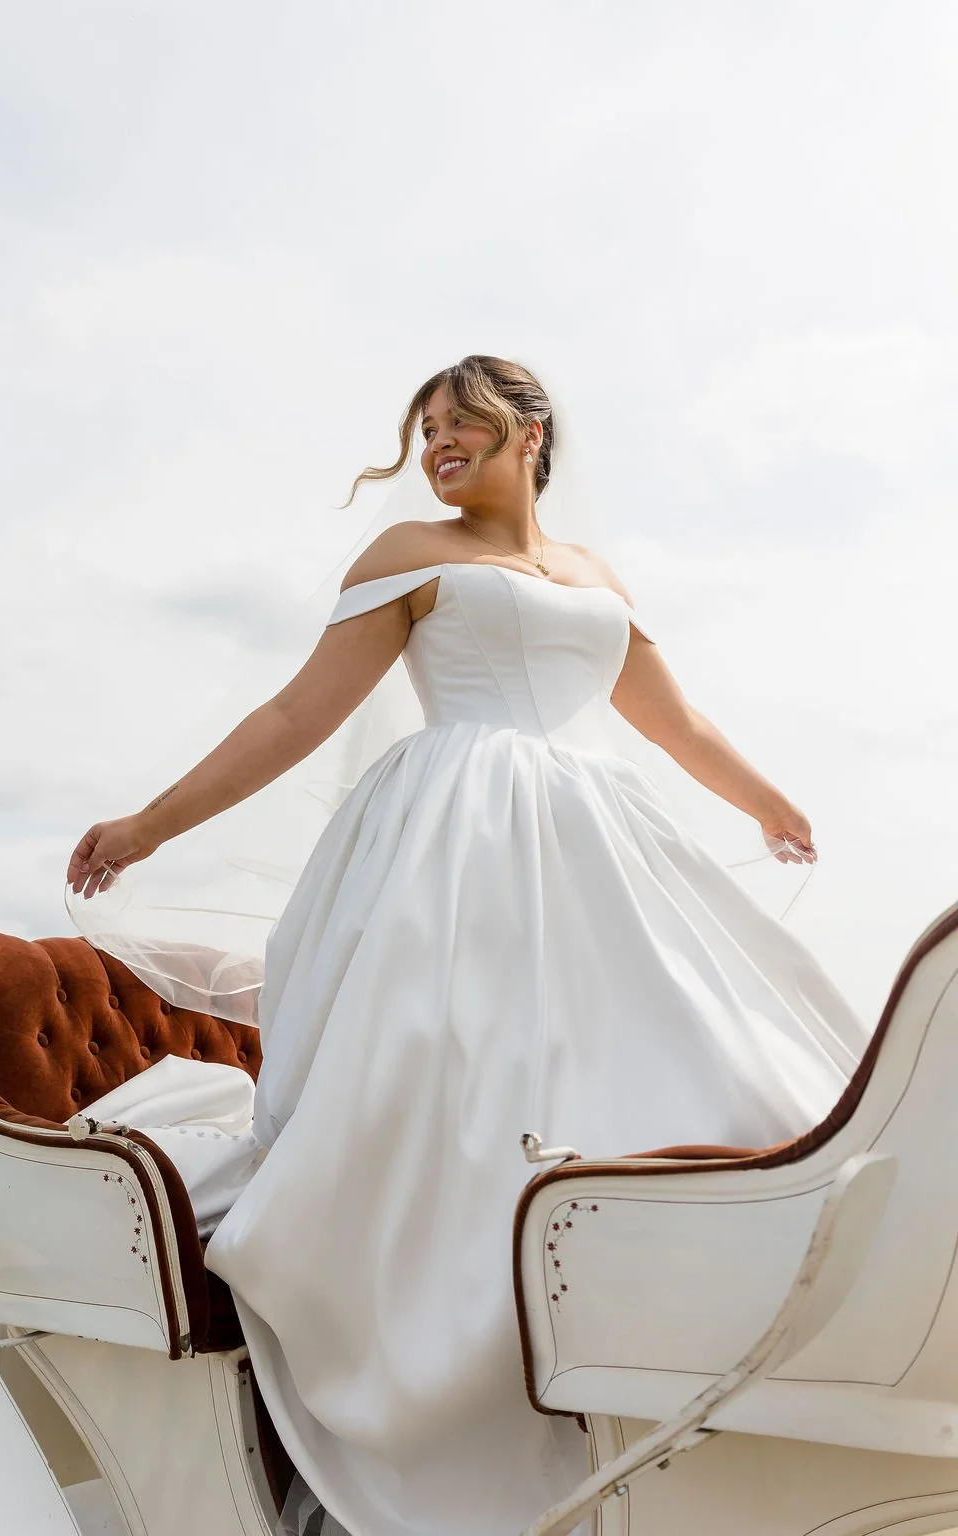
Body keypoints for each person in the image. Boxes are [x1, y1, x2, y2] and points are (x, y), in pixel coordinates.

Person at [66, 355, 868, 1536]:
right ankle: (462, 1367)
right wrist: (146, 825)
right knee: (462, 1085)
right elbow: (296, 714)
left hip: (594, 836)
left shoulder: (596, 576)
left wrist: (765, 802)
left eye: (462, 426)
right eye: (425, 431)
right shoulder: (406, 556)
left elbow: (670, 717)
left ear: (530, 432)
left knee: (700, 1055)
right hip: (451, 840)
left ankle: (710, 1357)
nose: (435, 447)